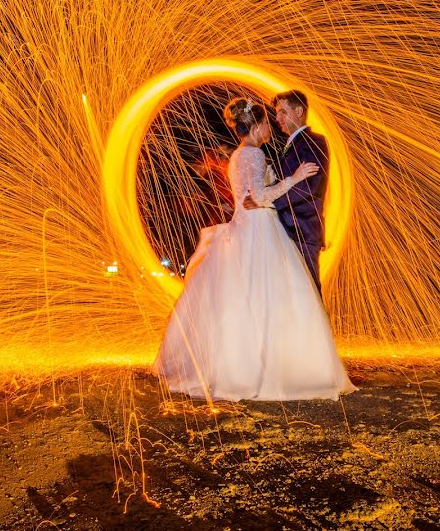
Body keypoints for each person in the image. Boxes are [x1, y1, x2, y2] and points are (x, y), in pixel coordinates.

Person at [151, 97, 357, 401]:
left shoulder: (242, 154)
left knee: (254, 297)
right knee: (274, 296)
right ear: (257, 126)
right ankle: (281, 366)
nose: (273, 123)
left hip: (253, 225)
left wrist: (268, 190)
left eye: (281, 113)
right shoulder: (254, 154)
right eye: (269, 119)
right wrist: (293, 178)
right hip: (260, 227)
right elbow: (258, 195)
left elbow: (253, 194)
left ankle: (254, 362)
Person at [243, 90, 327, 294]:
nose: (277, 118)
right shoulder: (290, 146)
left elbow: (308, 187)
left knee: (309, 296)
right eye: (277, 113)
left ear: (299, 111)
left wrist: (266, 202)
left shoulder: (313, 142)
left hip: (301, 230)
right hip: (285, 231)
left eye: (282, 112)